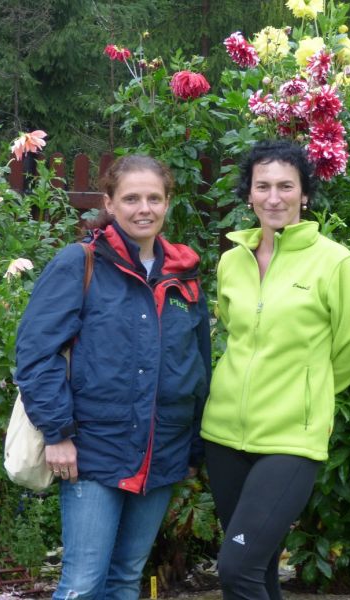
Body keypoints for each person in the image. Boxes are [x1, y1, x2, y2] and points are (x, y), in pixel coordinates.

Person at [14, 155, 211, 600]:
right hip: (93, 449)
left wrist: (192, 446)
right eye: (131, 198)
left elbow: (198, 364)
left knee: (125, 578)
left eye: (154, 198)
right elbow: (36, 354)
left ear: (167, 203)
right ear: (109, 203)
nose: (144, 209)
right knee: (83, 584)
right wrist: (57, 432)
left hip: (162, 449)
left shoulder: (183, 275)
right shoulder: (80, 263)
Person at [201, 140, 350, 600]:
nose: (274, 197)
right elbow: (234, 333)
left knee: (236, 568)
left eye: (285, 186)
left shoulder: (334, 263)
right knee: (258, 572)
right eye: (263, 186)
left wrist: (307, 394)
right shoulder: (231, 261)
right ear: (249, 194)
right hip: (223, 435)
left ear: (305, 194)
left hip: (291, 440)